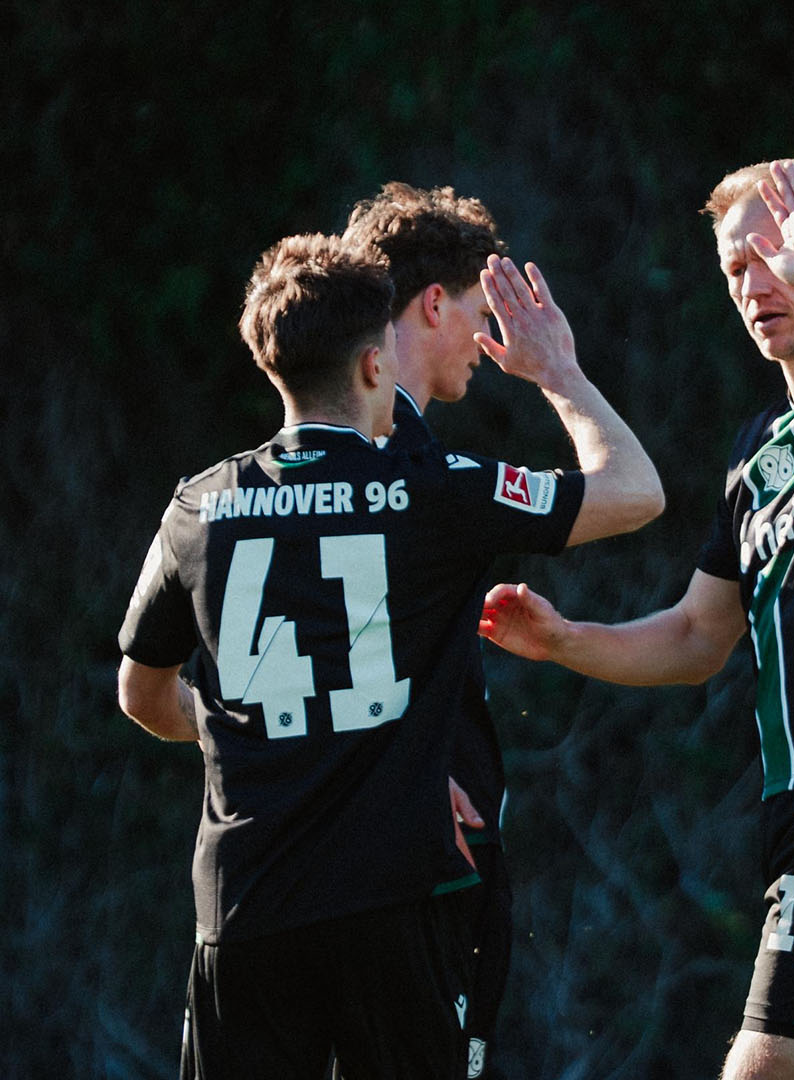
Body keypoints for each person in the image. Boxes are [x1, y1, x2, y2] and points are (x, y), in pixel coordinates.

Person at [116, 234, 662, 1079]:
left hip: (246, 903)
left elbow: (141, 695)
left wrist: (253, 729)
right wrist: (561, 372)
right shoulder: (434, 492)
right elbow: (635, 492)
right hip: (393, 901)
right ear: (377, 367)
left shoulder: (197, 508)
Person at [477, 160, 794, 1080]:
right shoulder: (760, 450)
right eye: (732, 269)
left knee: (766, 1064)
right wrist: (563, 641)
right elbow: (698, 637)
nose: (753, 286)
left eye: (769, 257)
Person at [342, 182, 517, 1079]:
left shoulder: (295, 466)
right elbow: (635, 492)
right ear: (434, 303)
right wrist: (558, 372)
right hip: (420, 864)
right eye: (483, 316)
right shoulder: (425, 472)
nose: (491, 343)